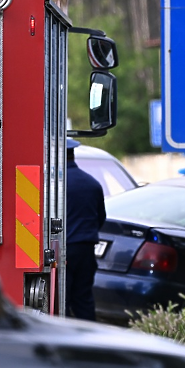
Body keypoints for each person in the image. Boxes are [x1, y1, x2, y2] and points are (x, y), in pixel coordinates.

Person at [65, 137, 106, 320]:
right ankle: (89, 341)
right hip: (87, 249)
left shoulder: (53, 184)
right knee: (83, 300)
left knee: (61, 300)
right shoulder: (92, 183)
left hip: (64, 250)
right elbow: (101, 217)